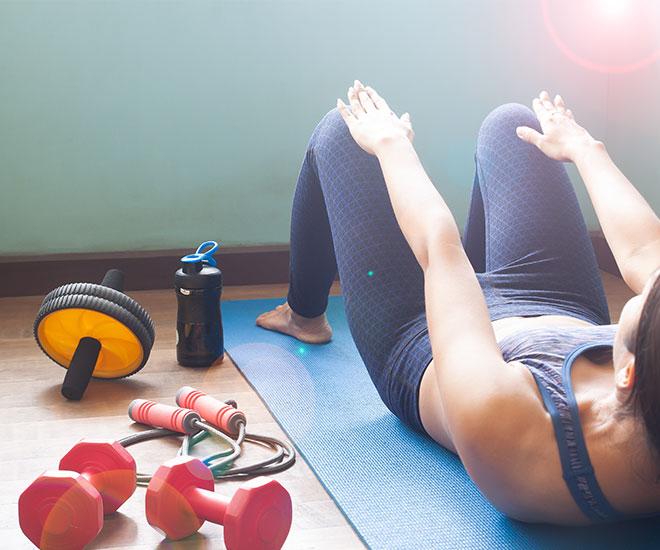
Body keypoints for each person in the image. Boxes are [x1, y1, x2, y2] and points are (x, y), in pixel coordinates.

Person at [256, 80, 660, 525]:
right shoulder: (650, 380)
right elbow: (645, 252)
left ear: (627, 373)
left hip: (420, 334)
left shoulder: (518, 434)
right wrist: (585, 148)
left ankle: (303, 316)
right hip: (559, 303)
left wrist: (391, 145)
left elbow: (439, 249)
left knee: (344, 132)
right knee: (515, 127)